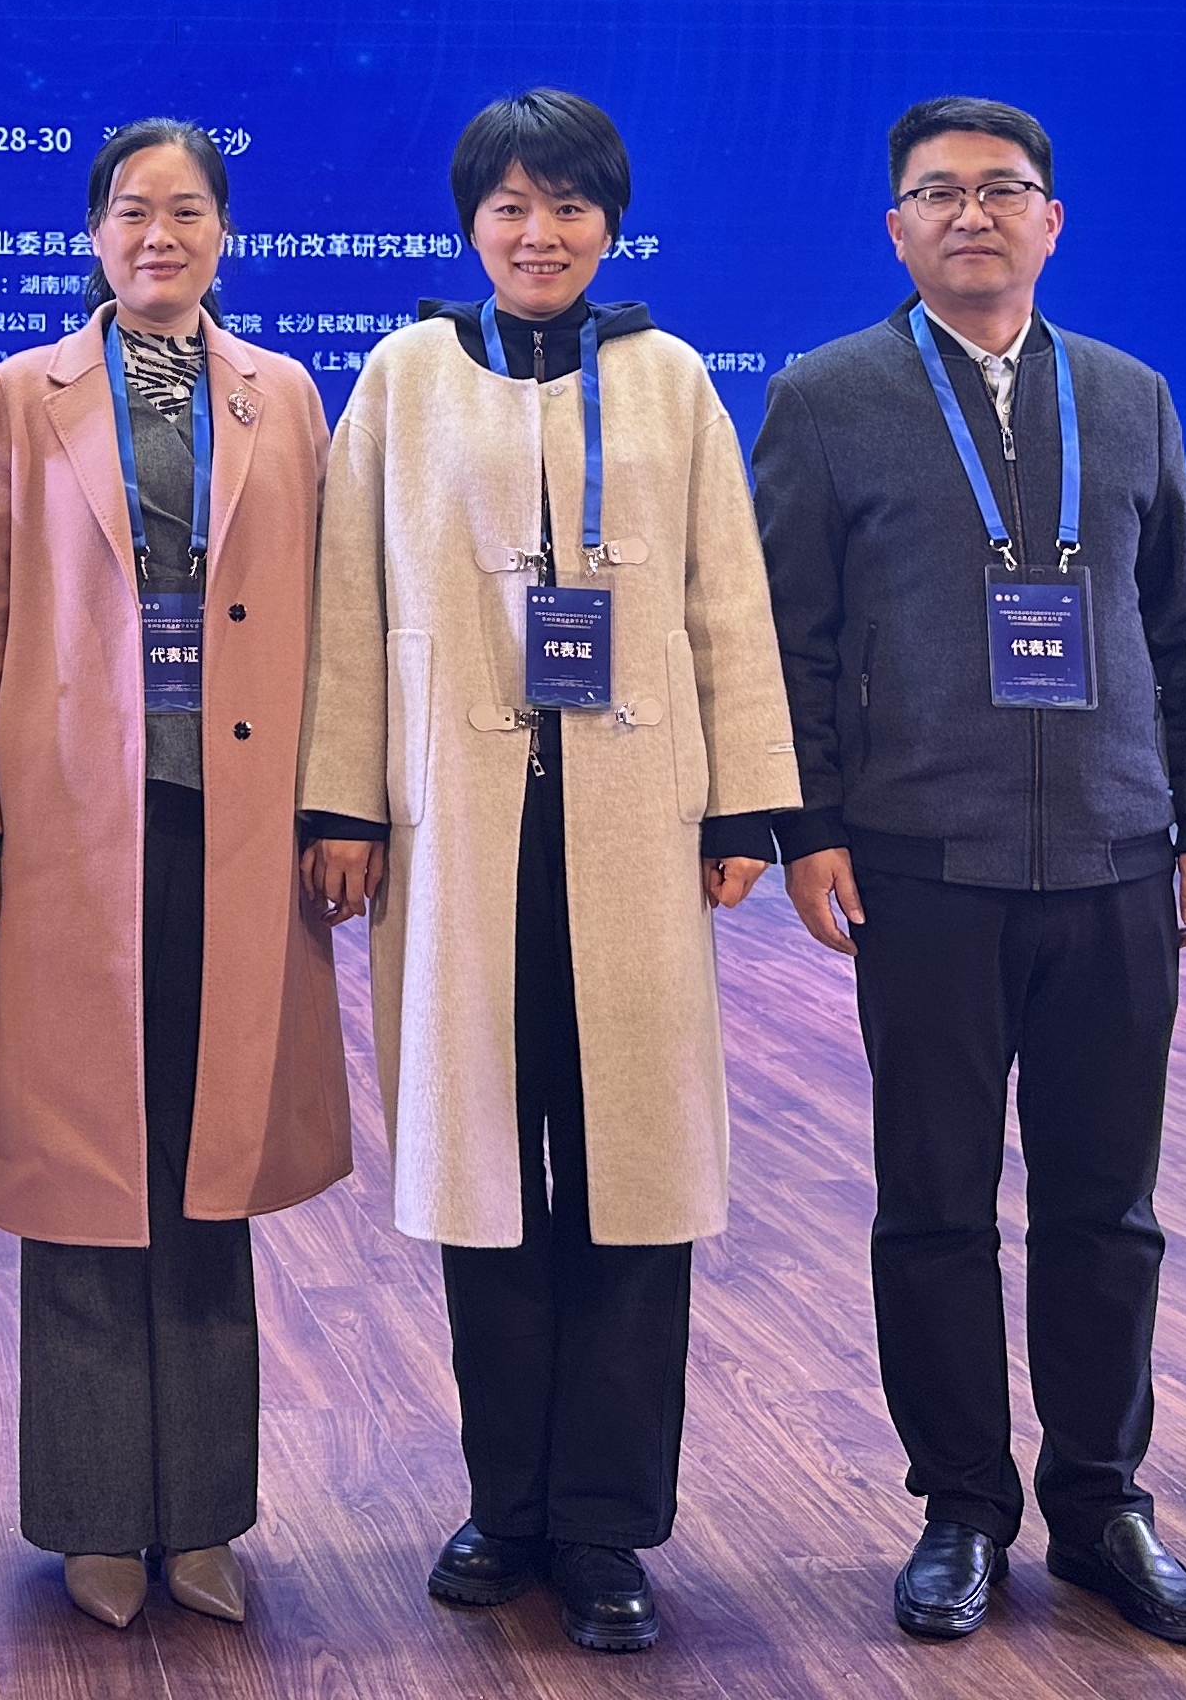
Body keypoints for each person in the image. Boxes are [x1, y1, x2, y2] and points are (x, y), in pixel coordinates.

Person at [299, 88, 798, 1658]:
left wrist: (743, 808)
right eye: (510, 206)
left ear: (609, 223)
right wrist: (343, 803)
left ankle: (605, 1523)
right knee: (486, 1177)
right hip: (460, 834)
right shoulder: (402, 378)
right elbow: (349, 602)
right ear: (472, 223)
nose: (539, 233)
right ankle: (504, 1502)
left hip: (633, 832)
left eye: (569, 206)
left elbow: (725, 599)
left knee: (630, 1176)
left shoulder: (669, 380)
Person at [751, 96, 1186, 1650]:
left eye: (1003, 189)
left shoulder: (1131, 396)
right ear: (895, 228)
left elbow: (1183, 624)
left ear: (1051, 221)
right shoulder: (825, 398)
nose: (972, 213)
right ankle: (962, 1507)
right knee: (934, 1208)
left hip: (1116, 859)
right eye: (939, 192)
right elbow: (792, 642)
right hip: (923, 866)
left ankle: (1101, 1504)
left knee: (1109, 1209)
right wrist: (809, 827)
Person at [0, 122, 353, 1631]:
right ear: (95, 235)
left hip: (236, 833)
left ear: (224, 231)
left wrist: (337, 806)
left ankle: (203, 1522)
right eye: (131, 211)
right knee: (85, 1168)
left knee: (207, 1161)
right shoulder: (21, 394)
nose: (158, 234)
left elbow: (334, 621)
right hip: (66, 837)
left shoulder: (285, 395)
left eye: (185, 209)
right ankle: (95, 1518)